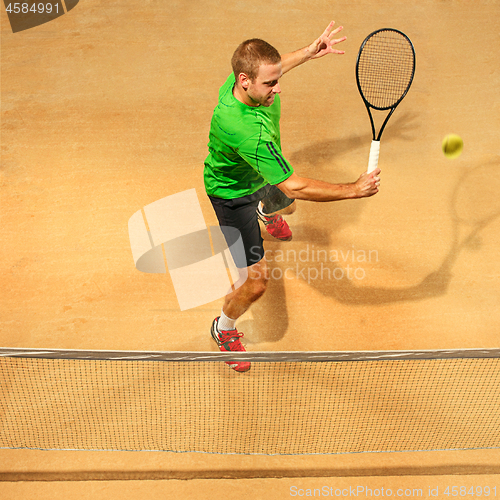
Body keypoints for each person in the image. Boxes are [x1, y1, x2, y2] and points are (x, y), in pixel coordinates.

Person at [204, 21, 381, 372]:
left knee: (287, 204)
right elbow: (293, 184)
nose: (277, 88)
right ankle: (222, 328)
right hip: (232, 193)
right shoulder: (244, 128)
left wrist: (309, 52)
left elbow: (273, 64)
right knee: (255, 284)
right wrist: (352, 190)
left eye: (277, 78)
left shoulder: (242, 78)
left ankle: (266, 211)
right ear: (246, 81)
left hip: (259, 172)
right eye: (270, 83)